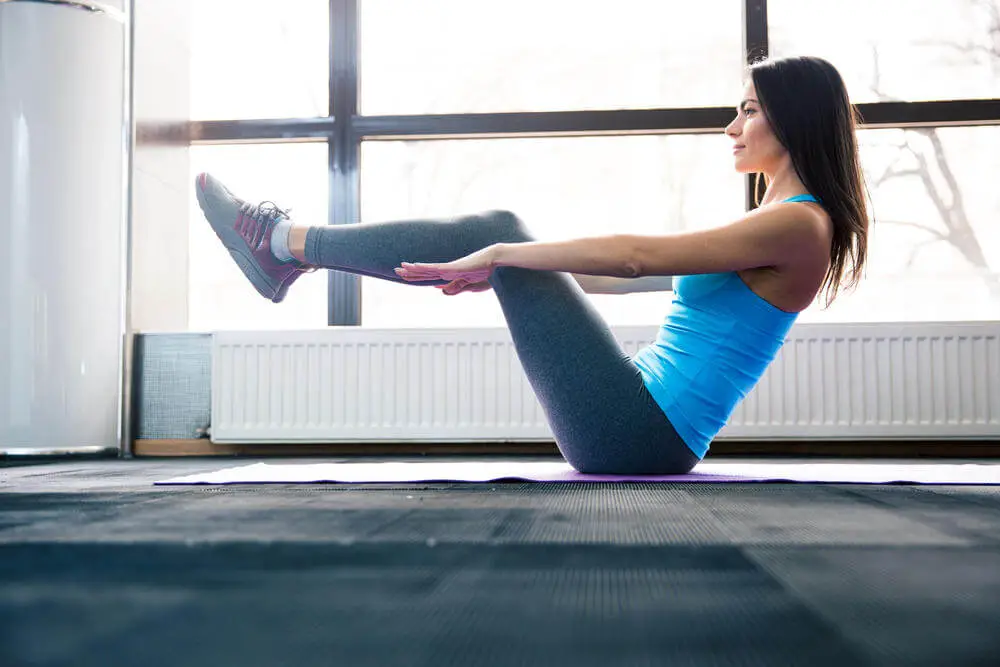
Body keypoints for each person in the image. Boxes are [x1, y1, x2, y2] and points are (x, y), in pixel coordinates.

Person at [195, 55, 869, 475]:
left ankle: (281, 243)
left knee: (499, 231)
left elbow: (635, 257)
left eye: (747, 110)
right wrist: (512, 273)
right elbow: (609, 275)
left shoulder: (796, 224)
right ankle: (285, 250)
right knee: (507, 242)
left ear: (791, 120)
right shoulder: (776, 222)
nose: (732, 127)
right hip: (637, 425)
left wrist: (503, 254)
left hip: (637, 434)